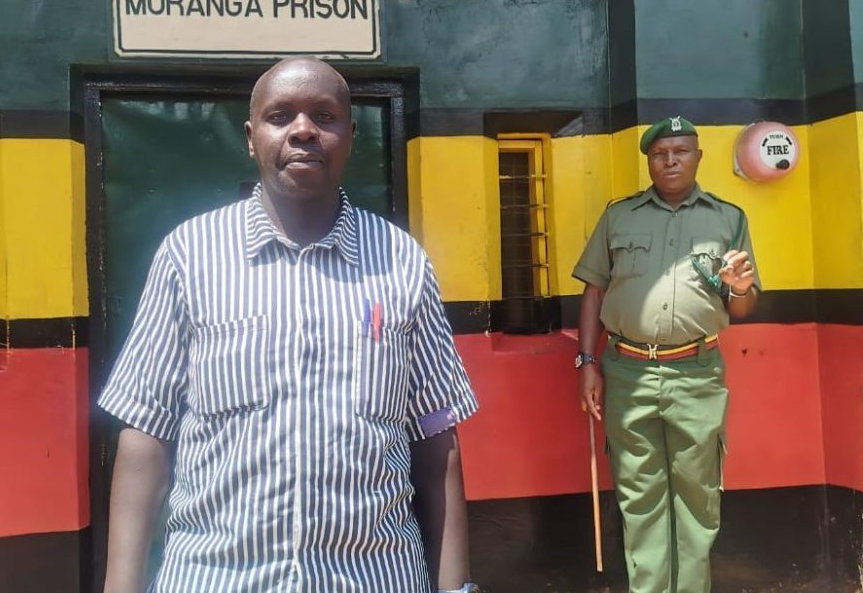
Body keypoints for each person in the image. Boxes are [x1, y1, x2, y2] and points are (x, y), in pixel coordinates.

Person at [98, 56, 481, 593]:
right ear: (251, 139)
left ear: (351, 136)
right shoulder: (189, 255)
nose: (303, 130)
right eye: (281, 116)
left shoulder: (402, 262)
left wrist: (456, 588)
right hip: (215, 577)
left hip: (373, 576)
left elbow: (437, 437)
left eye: (324, 117)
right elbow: (146, 432)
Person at [572, 116, 760, 593]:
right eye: (660, 154)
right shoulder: (620, 216)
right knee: (640, 499)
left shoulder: (728, 218)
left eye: (680, 151)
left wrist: (740, 287)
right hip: (628, 371)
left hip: (696, 373)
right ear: (649, 161)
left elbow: (742, 304)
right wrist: (587, 363)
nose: (670, 161)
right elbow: (594, 291)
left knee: (699, 500)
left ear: (698, 157)